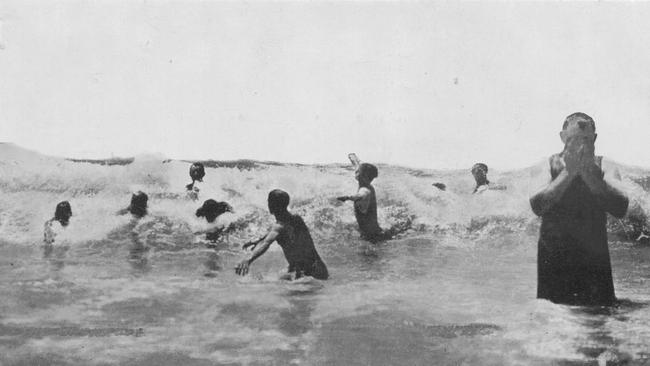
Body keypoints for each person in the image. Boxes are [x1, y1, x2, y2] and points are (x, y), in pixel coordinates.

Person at [530, 112, 628, 306]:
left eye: (586, 139)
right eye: (573, 139)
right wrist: (569, 172)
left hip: (594, 257)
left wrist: (588, 173)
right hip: (554, 257)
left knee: (599, 322)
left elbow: (620, 207)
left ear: (595, 139)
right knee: (555, 320)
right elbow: (538, 206)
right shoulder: (545, 165)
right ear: (562, 137)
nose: (580, 145)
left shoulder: (605, 165)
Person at [235, 189, 328, 280]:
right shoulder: (297, 219)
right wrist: (259, 240)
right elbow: (277, 232)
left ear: (272, 205)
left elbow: (266, 243)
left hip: (307, 273)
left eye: (268, 201)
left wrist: (248, 260)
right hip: (320, 269)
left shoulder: (278, 227)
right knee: (273, 278)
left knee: (261, 282)